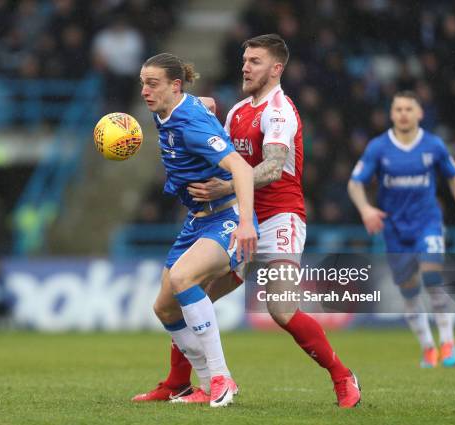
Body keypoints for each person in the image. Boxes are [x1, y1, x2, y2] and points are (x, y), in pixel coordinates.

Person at [133, 34, 361, 408]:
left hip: (278, 218)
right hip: (236, 216)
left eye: (255, 61)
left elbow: (271, 168)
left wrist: (224, 189)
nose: (245, 66)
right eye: (244, 60)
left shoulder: (279, 111)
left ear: (276, 68)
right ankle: (179, 382)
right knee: (190, 296)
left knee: (282, 309)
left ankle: (342, 377)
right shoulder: (238, 110)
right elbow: (210, 142)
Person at [139, 53, 259, 407]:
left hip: (227, 217)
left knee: (183, 279)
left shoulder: (189, 123)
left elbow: (241, 168)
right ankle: (207, 386)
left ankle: (221, 376)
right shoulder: (171, 107)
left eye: (153, 84)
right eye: (143, 83)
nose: (145, 91)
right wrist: (206, 103)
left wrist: (247, 223)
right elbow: (201, 102)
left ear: (175, 86)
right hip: (197, 220)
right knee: (165, 309)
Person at [348, 90, 455, 368]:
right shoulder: (379, 148)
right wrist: (366, 209)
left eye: (409, 109)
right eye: (398, 109)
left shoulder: (433, 146)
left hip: (428, 222)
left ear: (420, 113)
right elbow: (355, 183)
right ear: (391, 114)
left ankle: (447, 340)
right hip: (394, 229)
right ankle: (428, 347)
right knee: (409, 291)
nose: (403, 114)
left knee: (431, 278)